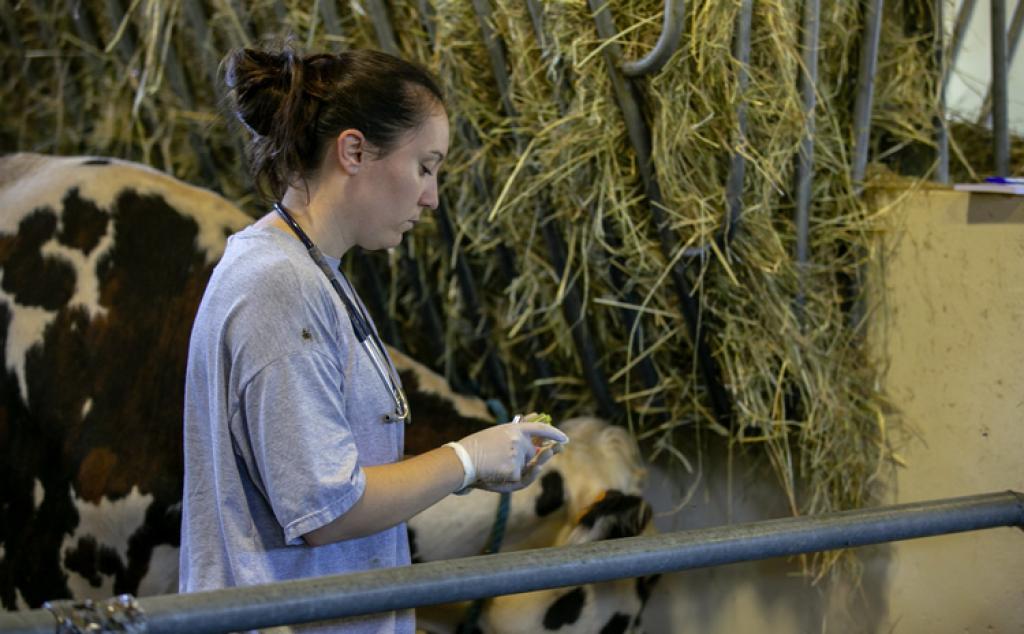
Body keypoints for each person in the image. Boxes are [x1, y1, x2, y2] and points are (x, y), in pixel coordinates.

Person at [178, 45, 568, 633]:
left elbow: (329, 478)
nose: (431, 196)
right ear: (354, 151)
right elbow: (327, 511)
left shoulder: (312, 272)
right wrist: (465, 459)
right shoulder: (279, 286)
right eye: (425, 166)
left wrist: (476, 469)